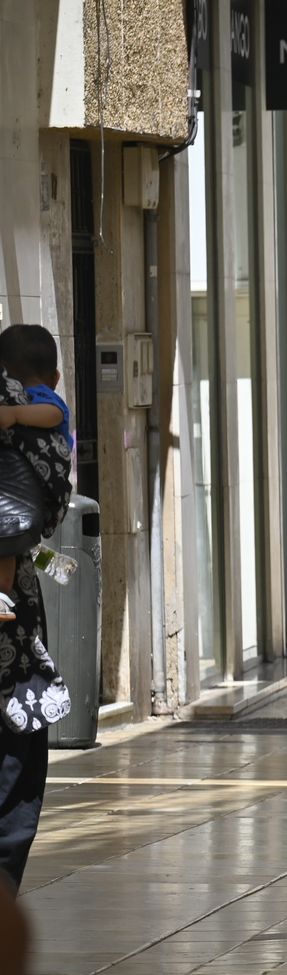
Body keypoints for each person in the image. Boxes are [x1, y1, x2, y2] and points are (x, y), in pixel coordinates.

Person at [0, 325, 73, 899]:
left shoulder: (23, 411)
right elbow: (45, 510)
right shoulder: (38, 423)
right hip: (16, 620)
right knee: (19, 752)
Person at [0, 332, 72, 622]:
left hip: (16, 510)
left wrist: (17, 414)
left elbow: (55, 413)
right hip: (22, 512)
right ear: (56, 375)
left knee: (7, 542)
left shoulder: (40, 399)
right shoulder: (30, 393)